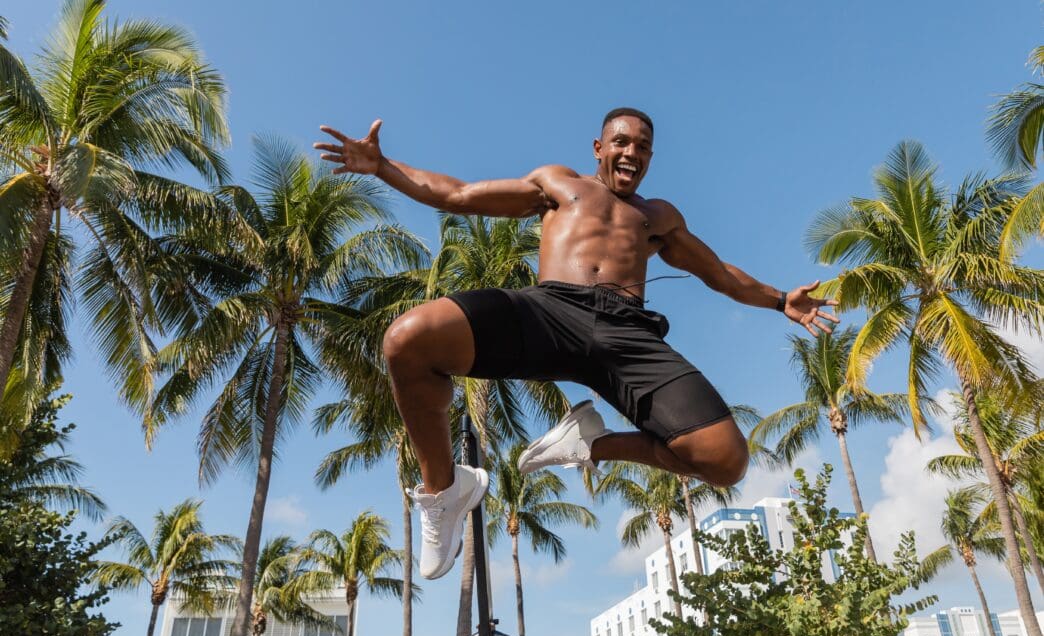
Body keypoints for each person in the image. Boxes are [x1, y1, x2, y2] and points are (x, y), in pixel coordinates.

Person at [313, 108, 839, 580]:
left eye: (643, 147)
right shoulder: (559, 185)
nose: (632, 152)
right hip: (551, 312)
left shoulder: (658, 217)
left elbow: (718, 272)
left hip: (627, 334)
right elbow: (459, 194)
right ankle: (444, 491)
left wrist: (778, 301)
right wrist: (383, 167)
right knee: (407, 341)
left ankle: (589, 444)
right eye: (622, 142)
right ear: (599, 148)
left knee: (725, 461)